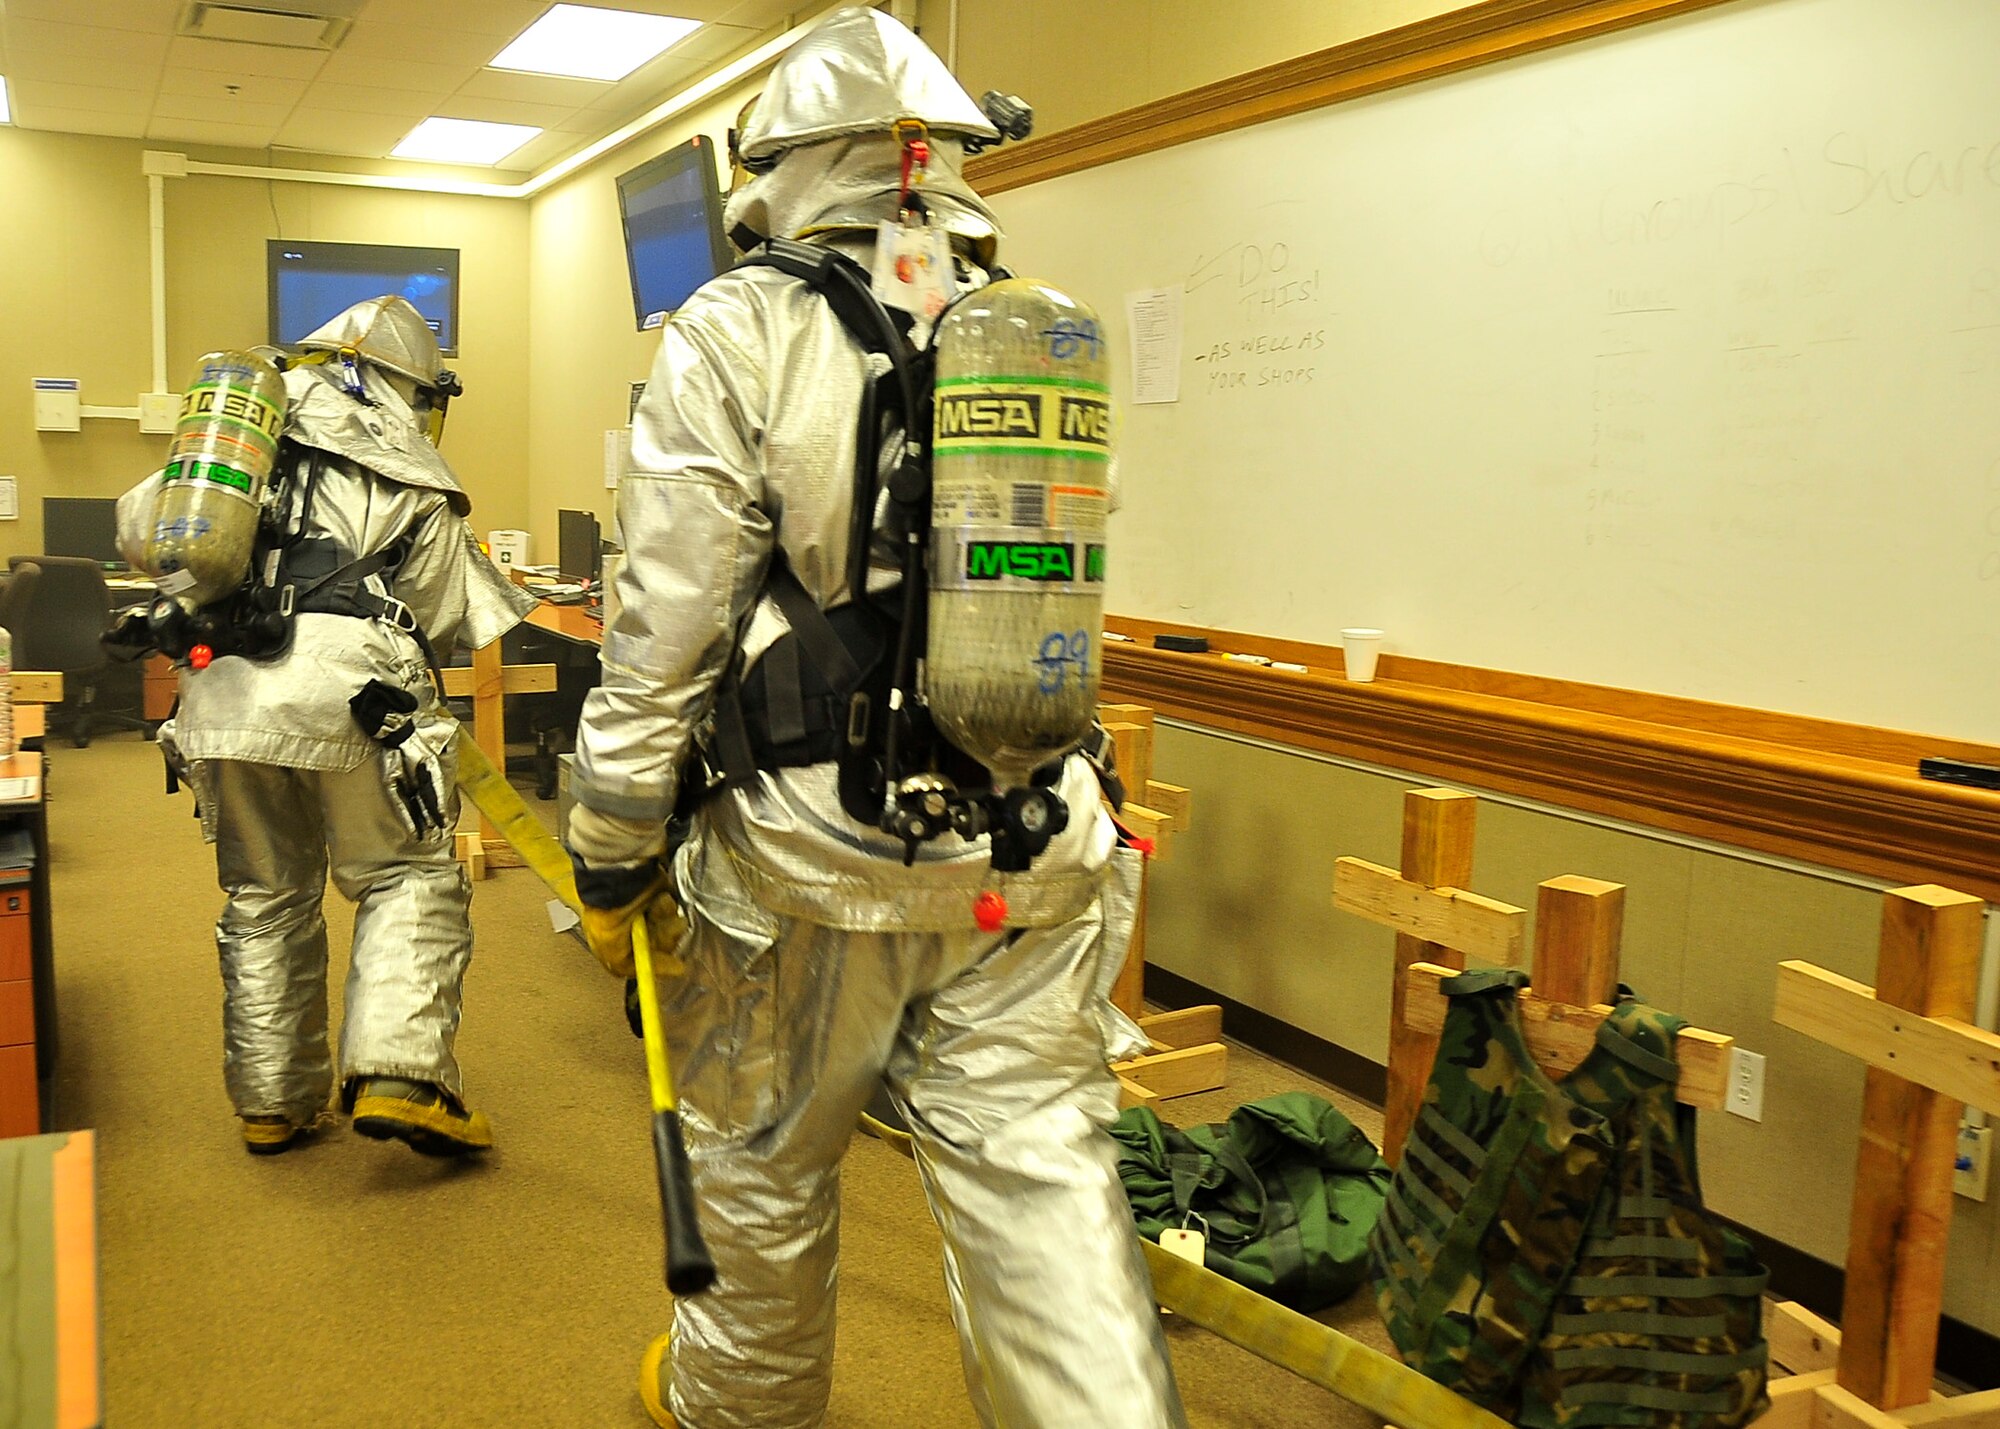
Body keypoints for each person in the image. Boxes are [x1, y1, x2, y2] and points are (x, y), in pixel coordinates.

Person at [564, 9, 1187, 1427]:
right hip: (1034, 851)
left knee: (764, 1172)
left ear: (777, 167)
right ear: (944, 166)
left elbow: (666, 620)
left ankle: (741, 1412)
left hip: (808, 863)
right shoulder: (1028, 335)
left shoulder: (739, 322)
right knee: (1048, 1188)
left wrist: (610, 839)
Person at [117, 296, 533, 1158]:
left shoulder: (234, 444)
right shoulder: (411, 467)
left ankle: (273, 1099)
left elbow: (141, 530)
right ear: (404, 386)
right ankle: (401, 1074)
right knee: (406, 873)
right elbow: (438, 617)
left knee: (264, 892)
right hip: (355, 700)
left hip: (219, 697)